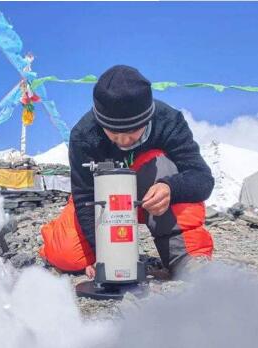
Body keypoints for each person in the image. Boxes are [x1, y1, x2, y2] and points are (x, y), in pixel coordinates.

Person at [69, 65, 214, 279]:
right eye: (113, 133)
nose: (124, 141)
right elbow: (83, 197)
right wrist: (101, 255)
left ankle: (185, 258)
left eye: (131, 132)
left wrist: (170, 187)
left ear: (147, 119)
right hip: (106, 206)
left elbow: (202, 178)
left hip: (152, 199)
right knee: (67, 253)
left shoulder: (169, 121)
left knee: (163, 164)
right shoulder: (84, 135)